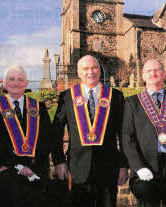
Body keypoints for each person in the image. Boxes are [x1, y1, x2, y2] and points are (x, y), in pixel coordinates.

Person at [52, 55, 129, 207]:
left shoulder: (116, 96)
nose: (90, 72)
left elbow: (124, 134)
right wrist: (59, 161)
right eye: (85, 69)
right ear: (79, 73)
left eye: (94, 67)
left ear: (99, 70)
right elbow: (56, 132)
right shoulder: (67, 97)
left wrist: (124, 165)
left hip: (108, 168)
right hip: (77, 168)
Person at [0, 65, 55, 207]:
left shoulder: (38, 107)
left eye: (20, 79)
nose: (16, 83)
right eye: (11, 79)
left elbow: (46, 140)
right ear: (4, 83)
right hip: (4, 173)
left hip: (34, 174)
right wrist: (14, 167)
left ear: (26, 83)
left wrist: (34, 169)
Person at [122, 59, 166, 207]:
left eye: (157, 70)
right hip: (146, 168)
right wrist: (138, 167)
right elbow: (127, 138)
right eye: (148, 71)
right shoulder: (132, 103)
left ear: (164, 74)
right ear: (143, 76)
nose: (153, 73)